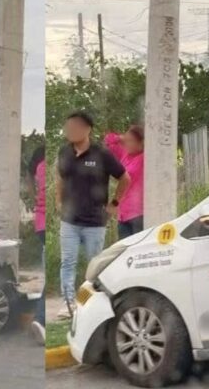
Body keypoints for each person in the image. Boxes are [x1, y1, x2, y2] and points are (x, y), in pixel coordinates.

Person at [56, 111, 130, 319]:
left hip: (94, 221)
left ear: (88, 129)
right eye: (68, 127)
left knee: (93, 264)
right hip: (69, 221)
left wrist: (114, 203)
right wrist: (59, 202)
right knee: (67, 261)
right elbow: (60, 177)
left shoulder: (102, 154)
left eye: (76, 126)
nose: (70, 131)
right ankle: (68, 303)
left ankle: (89, 302)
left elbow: (125, 178)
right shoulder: (64, 152)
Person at [104, 125, 144, 239]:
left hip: (139, 213)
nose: (127, 143)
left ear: (141, 142)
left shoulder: (145, 158)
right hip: (123, 213)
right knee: (124, 251)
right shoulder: (125, 154)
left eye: (131, 141)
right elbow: (108, 141)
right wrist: (122, 137)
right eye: (126, 141)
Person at [29, 145, 46, 345]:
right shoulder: (50, 165)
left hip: (39, 224)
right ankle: (40, 320)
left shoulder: (39, 167)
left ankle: (39, 320)